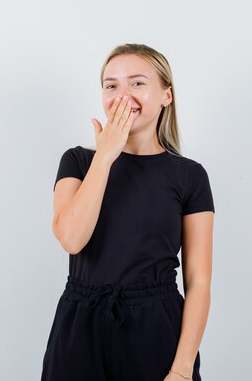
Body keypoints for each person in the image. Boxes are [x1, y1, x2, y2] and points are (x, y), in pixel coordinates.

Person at [40, 43, 215, 381]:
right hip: (80, 328)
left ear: (166, 95)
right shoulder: (78, 161)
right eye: (111, 85)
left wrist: (180, 370)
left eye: (137, 83)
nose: (122, 95)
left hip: (156, 330)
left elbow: (199, 282)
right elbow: (72, 239)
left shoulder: (190, 176)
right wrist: (105, 156)